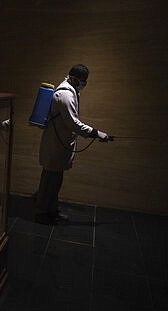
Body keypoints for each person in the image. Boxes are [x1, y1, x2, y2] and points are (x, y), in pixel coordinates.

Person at [35, 64, 110, 225]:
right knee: (50, 181)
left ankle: (51, 210)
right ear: (74, 79)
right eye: (83, 81)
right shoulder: (65, 95)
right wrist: (96, 133)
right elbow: (74, 123)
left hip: (58, 143)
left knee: (54, 180)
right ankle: (42, 213)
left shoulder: (70, 91)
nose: (84, 84)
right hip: (55, 145)